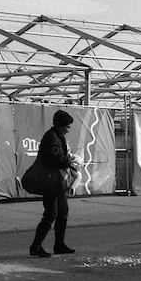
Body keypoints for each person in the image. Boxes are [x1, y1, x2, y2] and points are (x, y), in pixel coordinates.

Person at [29, 109, 79, 257]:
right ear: (60, 125)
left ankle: (59, 244)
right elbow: (54, 157)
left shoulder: (58, 136)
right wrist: (68, 161)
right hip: (51, 182)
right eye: (67, 126)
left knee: (63, 213)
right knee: (51, 214)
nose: (68, 130)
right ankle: (36, 246)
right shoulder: (50, 138)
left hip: (58, 183)